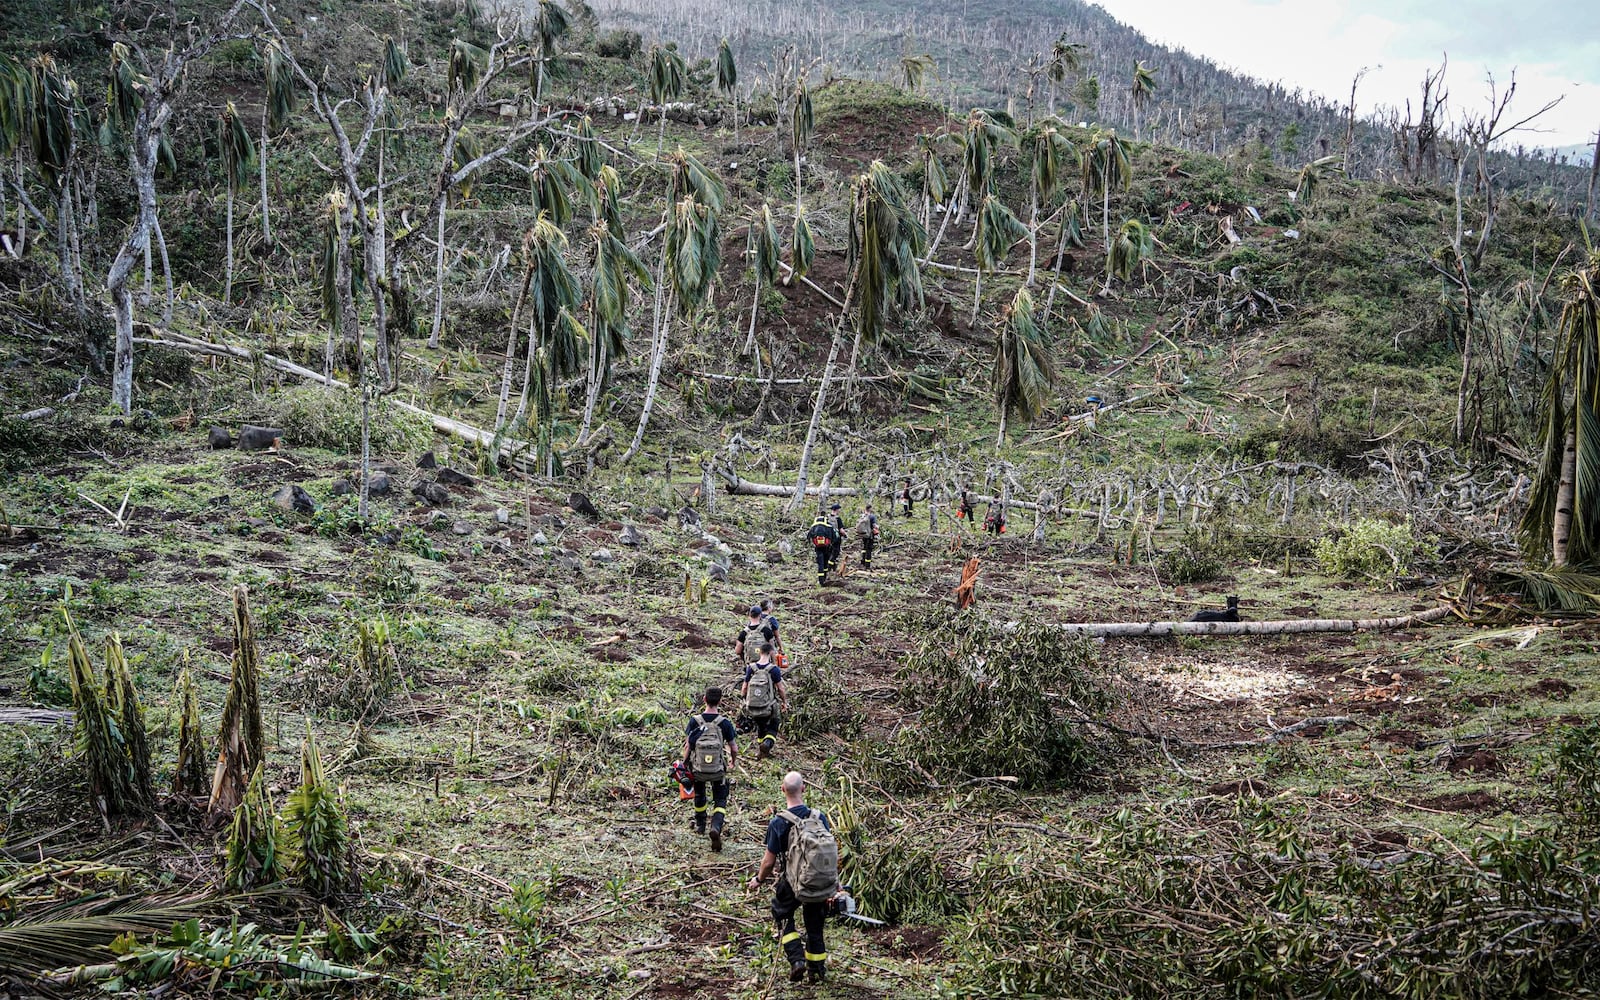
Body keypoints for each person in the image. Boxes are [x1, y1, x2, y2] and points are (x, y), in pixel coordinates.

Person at [747, 771, 837, 984]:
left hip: (792, 882)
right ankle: (817, 971)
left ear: (782, 789)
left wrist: (758, 880)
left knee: (781, 913)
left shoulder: (778, 823)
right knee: (815, 925)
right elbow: (829, 855)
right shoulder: (819, 816)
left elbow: (768, 863)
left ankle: (796, 960)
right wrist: (835, 885)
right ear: (804, 789)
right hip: (819, 882)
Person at [684, 687, 738, 852]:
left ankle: (700, 825)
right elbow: (733, 748)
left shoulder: (695, 721)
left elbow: (688, 745)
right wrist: (732, 763)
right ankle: (715, 826)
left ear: (704, 699)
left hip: (698, 769)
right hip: (717, 770)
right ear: (720, 701)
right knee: (720, 800)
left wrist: (685, 764)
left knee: (700, 795)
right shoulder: (725, 723)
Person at [742, 643, 789, 758]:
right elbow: (780, 689)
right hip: (768, 707)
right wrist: (784, 702)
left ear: (760, 652)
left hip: (752, 706)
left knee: (761, 727)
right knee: (774, 724)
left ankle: (762, 751)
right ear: (771, 652)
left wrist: (744, 700)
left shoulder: (751, 668)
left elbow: (744, 687)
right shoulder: (774, 670)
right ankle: (767, 744)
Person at [805, 510, 839, 586]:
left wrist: (813, 543)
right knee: (825, 562)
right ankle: (824, 577)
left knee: (820, 563)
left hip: (818, 547)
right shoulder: (829, 525)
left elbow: (808, 536)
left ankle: (820, 581)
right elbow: (835, 537)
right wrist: (832, 544)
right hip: (827, 547)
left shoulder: (814, 525)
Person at [855, 504, 880, 569]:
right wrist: (878, 527)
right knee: (869, 549)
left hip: (863, 534)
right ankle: (867, 565)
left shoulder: (862, 516)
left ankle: (862, 561)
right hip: (869, 535)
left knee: (864, 548)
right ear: (870, 509)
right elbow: (874, 525)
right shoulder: (872, 516)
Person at [826, 503, 846, 571]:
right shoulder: (838, 518)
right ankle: (829, 566)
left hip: (828, 538)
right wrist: (845, 535)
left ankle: (833, 567)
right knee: (835, 553)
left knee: (829, 552)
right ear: (836, 510)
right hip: (836, 538)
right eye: (839, 509)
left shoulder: (827, 517)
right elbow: (841, 530)